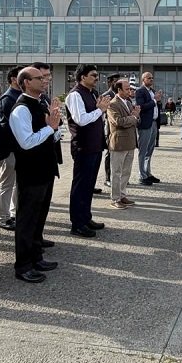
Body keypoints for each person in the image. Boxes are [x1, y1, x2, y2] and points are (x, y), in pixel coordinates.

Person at [9, 67, 64, 283]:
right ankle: (23, 265)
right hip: (31, 171)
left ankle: (36, 256)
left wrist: (56, 127)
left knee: (39, 217)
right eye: (39, 78)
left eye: (45, 78)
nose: (44, 81)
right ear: (25, 82)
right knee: (27, 219)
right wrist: (50, 128)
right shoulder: (21, 109)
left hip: (45, 169)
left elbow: (50, 134)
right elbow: (26, 142)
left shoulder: (41, 103)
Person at [64, 63, 110, 238]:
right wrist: (100, 110)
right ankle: (77, 223)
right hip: (83, 146)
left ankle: (86, 217)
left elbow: (97, 116)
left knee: (89, 185)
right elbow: (81, 120)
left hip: (95, 146)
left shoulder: (92, 93)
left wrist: (100, 110)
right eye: (93, 75)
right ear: (82, 77)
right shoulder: (75, 95)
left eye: (97, 75)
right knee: (80, 186)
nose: (97, 78)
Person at [0, 65, 24, 231]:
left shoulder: (21, 96)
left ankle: (14, 213)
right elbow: (8, 126)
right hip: (10, 149)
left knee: (17, 184)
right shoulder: (8, 98)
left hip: (21, 148)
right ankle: (4, 217)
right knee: (7, 183)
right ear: (14, 79)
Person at [106, 78, 140, 208]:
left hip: (130, 142)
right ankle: (115, 198)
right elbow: (118, 122)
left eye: (130, 88)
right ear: (119, 90)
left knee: (126, 171)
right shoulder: (113, 104)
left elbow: (134, 119)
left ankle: (122, 194)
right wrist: (134, 117)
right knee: (116, 172)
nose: (129, 91)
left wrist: (135, 116)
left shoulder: (128, 102)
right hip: (119, 142)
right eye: (127, 89)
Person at [134, 70, 163, 184]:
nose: (151, 80)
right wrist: (155, 100)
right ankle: (142, 175)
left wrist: (158, 100)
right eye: (148, 78)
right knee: (143, 150)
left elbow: (155, 105)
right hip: (145, 124)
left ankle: (147, 172)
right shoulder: (140, 91)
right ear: (143, 80)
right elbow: (141, 107)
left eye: (152, 78)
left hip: (154, 122)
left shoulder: (152, 91)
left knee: (150, 150)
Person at [100, 73, 119, 188]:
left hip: (120, 128)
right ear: (111, 82)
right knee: (109, 153)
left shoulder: (120, 94)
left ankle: (118, 177)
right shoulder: (106, 95)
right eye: (116, 81)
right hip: (109, 127)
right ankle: (107, 178)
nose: (117, 83)